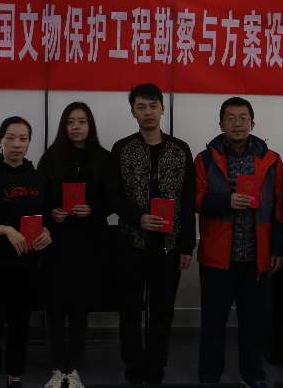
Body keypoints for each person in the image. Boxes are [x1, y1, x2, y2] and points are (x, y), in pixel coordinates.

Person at [107, 83, 196, 385]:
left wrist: (187, 246)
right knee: (130, 311)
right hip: (131, 243)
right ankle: (133, 368)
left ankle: (156, 368)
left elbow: (188, 201)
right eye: (141, 107)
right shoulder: (122, 148)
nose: (148, 112)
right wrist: (138, 218)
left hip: (169, 246)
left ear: (162, 108)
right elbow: (113, 195)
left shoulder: (180, 149)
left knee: (162, 312)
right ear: (133, 112)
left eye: (153, 106)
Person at [194, 96, 283, 387]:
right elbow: (196, 200)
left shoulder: (271, 160)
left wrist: (277, 248)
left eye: (243, 118)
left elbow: (280, 207)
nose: (237, 123)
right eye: (230, 118)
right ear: (221, 124)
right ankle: (209, 377)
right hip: (217, 258)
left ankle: (253, 376)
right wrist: (226, 201)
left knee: (253, 324)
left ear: (252, 123)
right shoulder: (205, 159)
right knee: (213, 324)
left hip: (256, 257)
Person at [0, 116, 53, 388]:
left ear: (29, 142)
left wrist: (47, 231)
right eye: (10, 138)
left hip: (28, 265)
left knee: (20, 325)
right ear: (0, 140)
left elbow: (48, 216)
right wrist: (6, 230)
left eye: (23, 139)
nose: (17, 144)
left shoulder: (39, 178)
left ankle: (15, 375)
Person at [37, 102, 110, 388]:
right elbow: (38, 200)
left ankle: (73, 368)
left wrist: (93, 209)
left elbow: (113, 199)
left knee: (80, 310)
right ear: (63, 126)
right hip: (56, 245)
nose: (76, 127)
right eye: (70, 121)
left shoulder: (103, 158)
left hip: (89, 245)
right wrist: (51, 213)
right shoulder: (51, 157)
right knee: (55, 310)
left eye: (81, 121)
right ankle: (58, 368)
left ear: (90, 125)